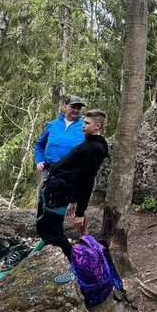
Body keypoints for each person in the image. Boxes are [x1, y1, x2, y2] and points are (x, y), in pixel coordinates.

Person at [36, 109, 109, 261]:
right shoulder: (89, 142)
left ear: (98, 126)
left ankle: (75, 263)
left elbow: (87, 180)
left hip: (60, 192)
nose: (83, 125)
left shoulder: (95, 149)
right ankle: (49, 258)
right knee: (43, 227)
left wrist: (80, 211)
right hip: (54, 187)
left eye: (87, 123)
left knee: (53, 233)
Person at [34, 96, 87, 181]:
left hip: (72, 171)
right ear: (65, 106)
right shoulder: (53, 124)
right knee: (45, 193)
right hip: (49, 169)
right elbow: (40, 144)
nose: (76, 110)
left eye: (79, 108)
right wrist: (39, 160)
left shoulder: (85, 126)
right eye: (73, 107)